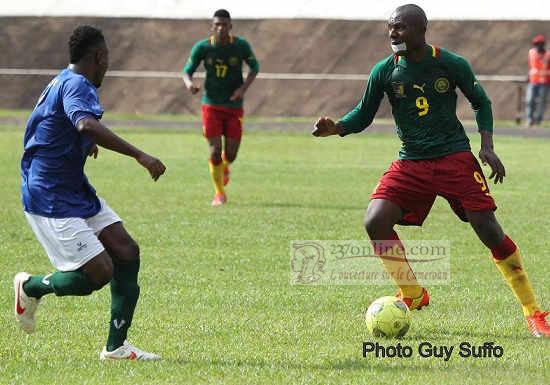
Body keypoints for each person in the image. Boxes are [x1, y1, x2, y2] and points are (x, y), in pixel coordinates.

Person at [312, 4, 549, 338]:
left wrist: (487, 145)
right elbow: (364, 114)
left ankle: (533, 312)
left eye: (400, 28)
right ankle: (412, 292)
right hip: (411, 161)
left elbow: (481, 102)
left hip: (454, 157)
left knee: (488, 230)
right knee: (375, 220)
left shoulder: (449, 63)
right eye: (390, 28)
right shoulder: (385, 71)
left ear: (422, 29)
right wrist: (336, 128)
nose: (393, 33)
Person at [14, 25, 167, 360]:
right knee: (98, 272)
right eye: (107, 58)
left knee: (126, 250)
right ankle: (30, 287)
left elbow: (53, 124)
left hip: (71, 187)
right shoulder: (77, 84)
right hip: (49, 194)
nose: (108, 66)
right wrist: (140, 155)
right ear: (99, 57)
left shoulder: (61, 81)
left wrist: (82, 144)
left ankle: (116, 347)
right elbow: (84, 123)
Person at [182, 9, 259, 206]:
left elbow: (254, 67)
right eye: (217, 25)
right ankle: (219, 194)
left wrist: (242, 89)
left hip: (234, 106)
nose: (221, 28)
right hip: (211, 106)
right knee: (215, 151)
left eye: (224, 25)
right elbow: (186, 71)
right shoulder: (203, 47)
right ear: (212, 27)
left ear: (230, 26)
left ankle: (225, 167)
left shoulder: (240, 46)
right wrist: (189, 84)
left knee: (231, 155)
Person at [525, 34, 550, 127]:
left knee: (542, 102)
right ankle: (529, 119)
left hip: (544, 82)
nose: (538, 46)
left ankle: (539, 120)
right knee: (530, 100)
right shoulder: (531, 52)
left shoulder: (548, 54)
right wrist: (528, 76)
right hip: (533, 81)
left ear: (543, 44)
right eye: (536, 44)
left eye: (540, 43)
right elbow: (531, 66)